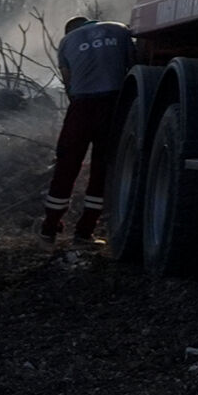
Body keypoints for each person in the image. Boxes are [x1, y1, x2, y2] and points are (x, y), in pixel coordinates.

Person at [42, 15, 133, 244]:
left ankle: (49, 228)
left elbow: (68, 79)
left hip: (81, 107)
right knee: (101, 168)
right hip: (113, 105)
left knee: (66, 165)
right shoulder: (120, 30)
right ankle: (84, 231)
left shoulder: (66, 42)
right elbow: (133, 65)